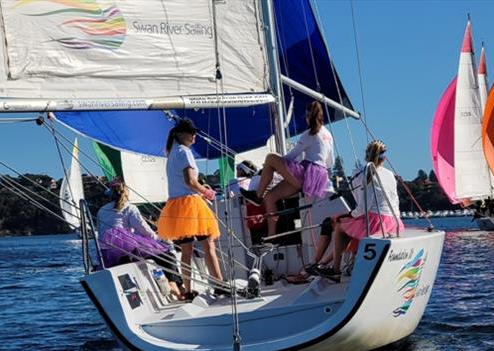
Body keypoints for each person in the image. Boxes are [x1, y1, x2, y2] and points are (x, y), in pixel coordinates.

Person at [240, 101, 334, 236]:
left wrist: (271, 167)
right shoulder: (328, 134)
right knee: (270, 197)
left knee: (271, 157)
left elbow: (291, 156)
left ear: (308, 118)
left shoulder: (309, 134)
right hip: (318, 178)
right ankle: (272, 236)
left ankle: (257, 196)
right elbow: (330, 162)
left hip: (306, 175)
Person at [156, 118, 224, 299]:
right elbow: (190, 182)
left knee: (186, 251)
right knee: (208, 244)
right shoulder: (185, 152)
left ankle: (188, 290)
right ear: (179, 134)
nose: (194, 135)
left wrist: (199, 189)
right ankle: (220, 285)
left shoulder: (171, 153)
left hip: (175, 205)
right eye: (191, 132)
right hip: (190, 204)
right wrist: (206, 192)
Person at [319, 140, 404, 281]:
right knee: (352, 225)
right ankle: (325, 263)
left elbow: (361, 209)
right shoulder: (390, 174)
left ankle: (335, 269)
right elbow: (394, 201)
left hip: (376, 223)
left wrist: (343, 215)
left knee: (340, 226)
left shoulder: (361, 172)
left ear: (366, 155)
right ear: (385, 158)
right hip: (394, 222)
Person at [97, 179, 184, 299]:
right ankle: (175, 286)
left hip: (108, 252)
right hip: (126, 247)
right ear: (126, 193)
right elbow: (144, 230)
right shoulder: (129, 208)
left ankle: (173, 286)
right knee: (167, 255)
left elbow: (100, 233)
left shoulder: (101, 210)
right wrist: (158, 240)